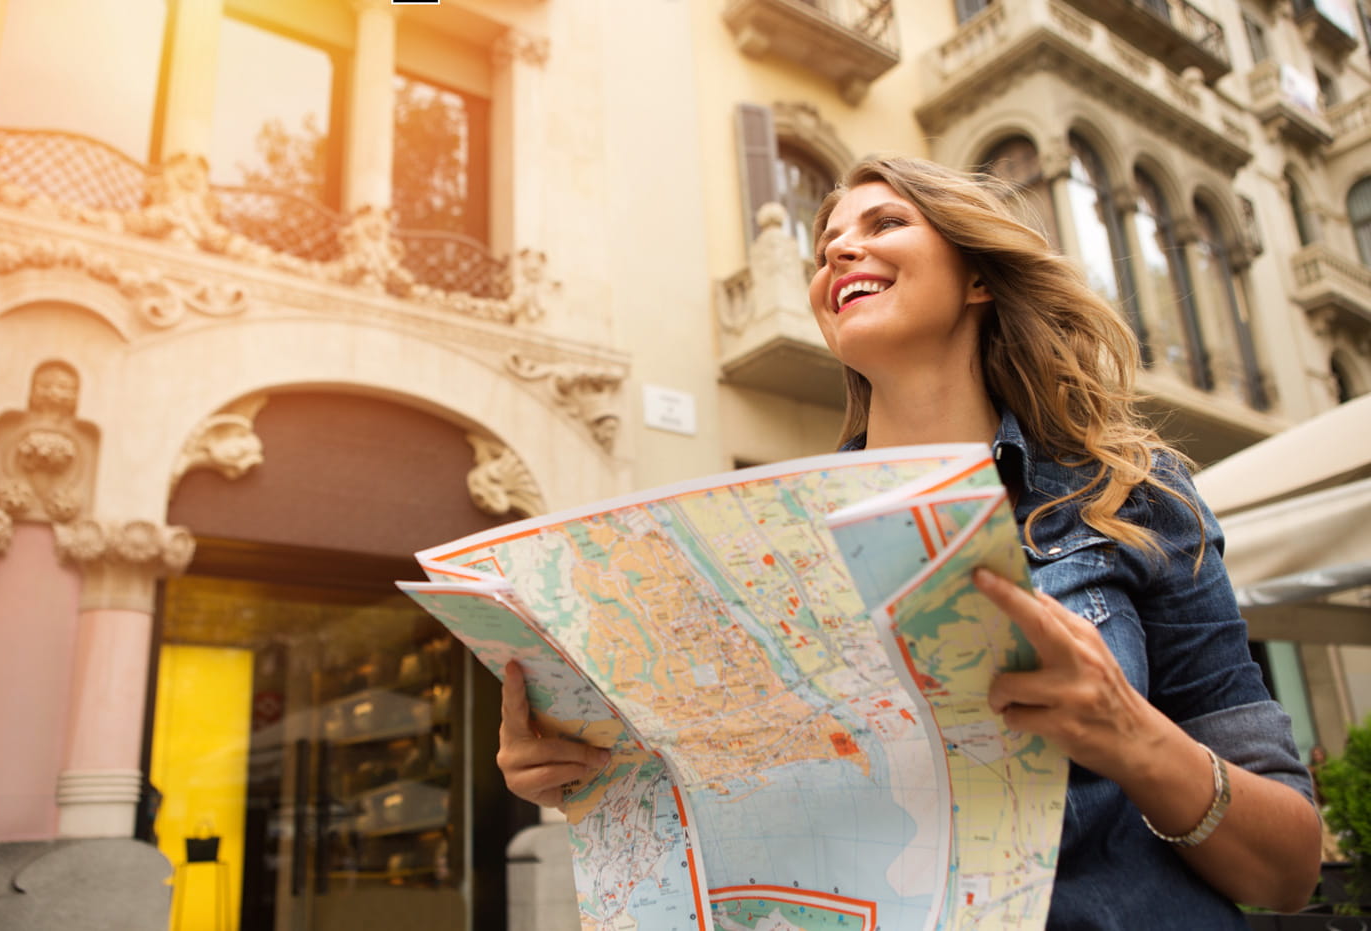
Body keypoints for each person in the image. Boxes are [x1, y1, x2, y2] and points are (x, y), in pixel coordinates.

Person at [497, 156, 1322, 927]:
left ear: (976, 278)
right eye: (826, 246)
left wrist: (1135, 737)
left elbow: (1288, 872)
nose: (838, 250)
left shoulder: (1130, 497)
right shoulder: (761, 545)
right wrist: (601, 774)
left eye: (885, 223)